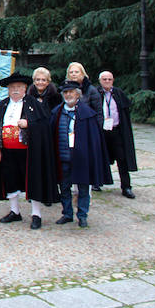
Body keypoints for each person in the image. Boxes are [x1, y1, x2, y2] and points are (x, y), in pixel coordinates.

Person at [0, 72, 59, 230]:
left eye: (19, 87)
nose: (15, 90)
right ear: (8, 89)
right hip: (7, 151)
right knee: (10, 180)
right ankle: (14, 211)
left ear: (25, 88)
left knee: (34, 180)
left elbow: (44, 126)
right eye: (12, 87)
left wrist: (29, 123)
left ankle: (36, 214)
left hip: (29, 151)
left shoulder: (34, 105)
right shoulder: (2, 105)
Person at [51, 80, 112, 227]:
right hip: (63, 156)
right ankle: (67, 213)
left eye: (71, 92)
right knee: (64, 187)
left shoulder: (87, 113)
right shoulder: (57, 112)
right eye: (66, 92)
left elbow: (93, 139)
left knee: (83, 187)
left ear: (78, 94)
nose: (68, 95)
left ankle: (82, 215)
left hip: (81, 158)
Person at [98, 71, 138, 199]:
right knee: (99, 157)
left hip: (116, 131)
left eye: (109, 79)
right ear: (100, 81)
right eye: (104, 79)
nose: (107, 81)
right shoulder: (96, 94)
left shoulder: (119, 93)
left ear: (113, 80)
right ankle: (97, 183)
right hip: (101, 132)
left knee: (122, 159)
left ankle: (126, 187)